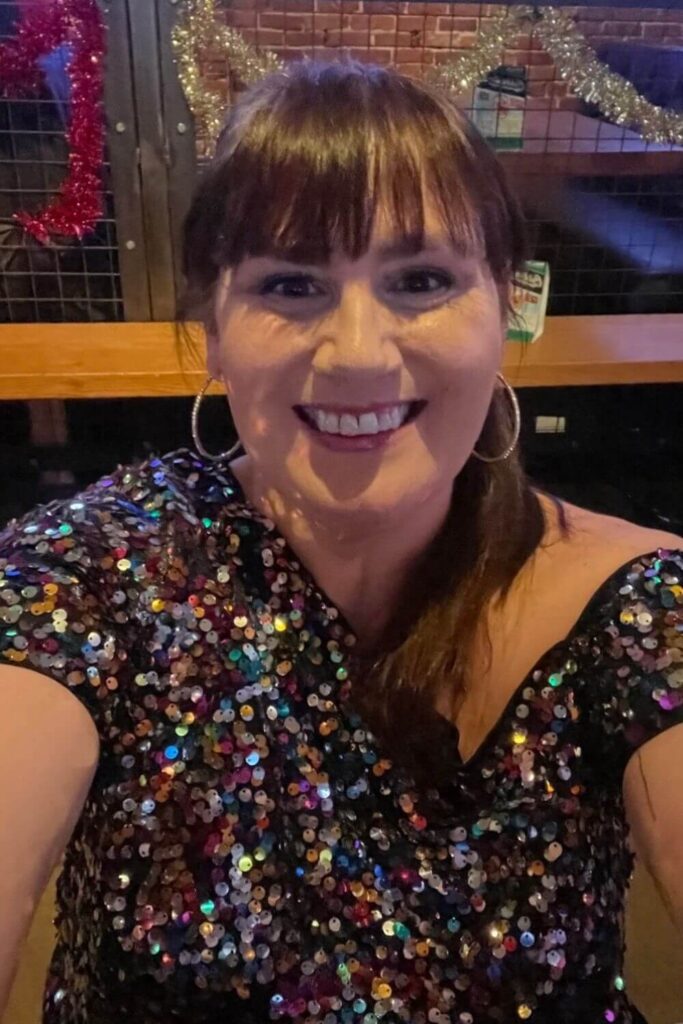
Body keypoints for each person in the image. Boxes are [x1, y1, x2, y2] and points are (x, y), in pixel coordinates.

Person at [1, 57, 682, 1024]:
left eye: (419, 280)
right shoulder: (91, 575)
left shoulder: (637, 602)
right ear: (213, 329)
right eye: (290, 284)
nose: (358, 353)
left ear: (510, 307)